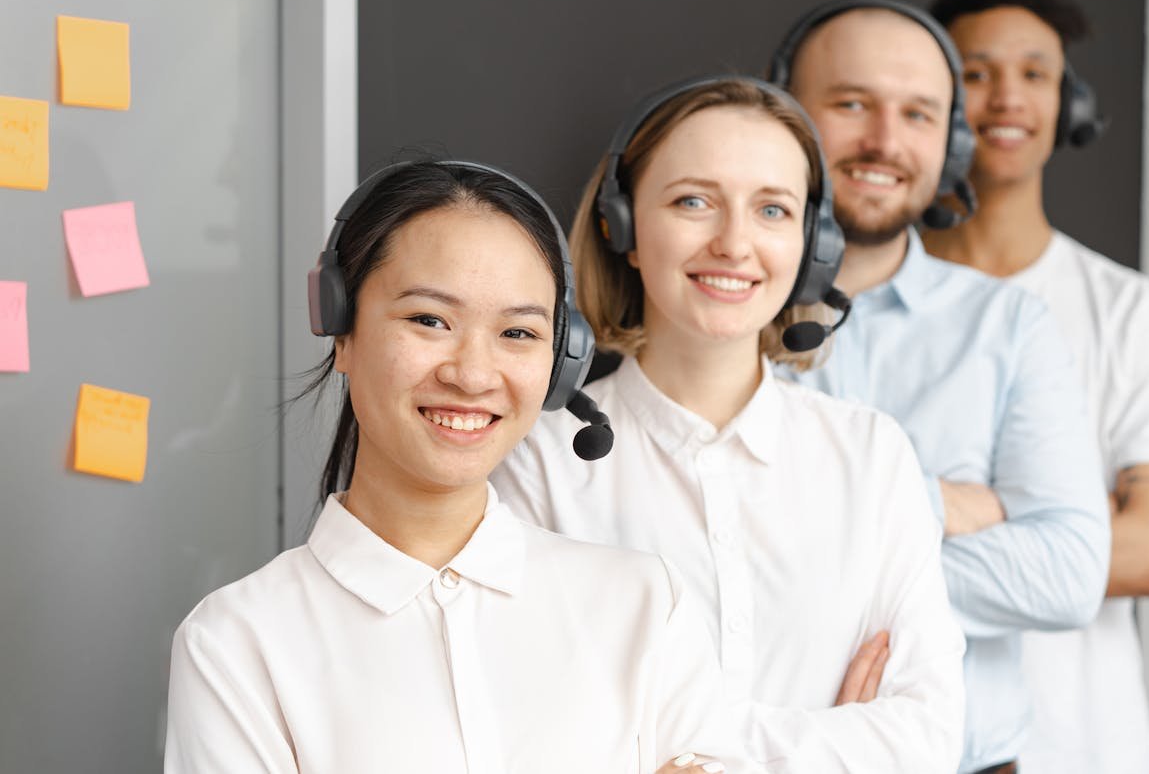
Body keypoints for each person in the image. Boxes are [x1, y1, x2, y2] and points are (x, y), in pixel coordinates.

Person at [164, 159, 757, 773]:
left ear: (562, 363)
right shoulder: (236, 643)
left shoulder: (646, 607)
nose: (472, 375)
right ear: (341, 330)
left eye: (518, 333)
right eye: (429, 320)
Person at [492, 75, 967, 772]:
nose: (735, 244)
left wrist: (667, 738)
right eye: (694, 201)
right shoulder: (539, 461)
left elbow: (926, 741)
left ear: (814, 246)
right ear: (622, 227)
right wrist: (835, 740)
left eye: (772, 210)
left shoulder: (869, 453)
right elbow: (532, 735)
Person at [768, 0, 1111, 773]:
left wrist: (832, 543)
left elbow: (1067, 573)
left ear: (951, 140)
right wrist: (938, 505)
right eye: (851, 103)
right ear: (785, 117)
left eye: (918, 114)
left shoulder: (1011, 327)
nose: (885, 141)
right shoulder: (709, 310)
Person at [925, 0, 1149, 774]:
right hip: (911, 739)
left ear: (1067, 103)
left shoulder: (1132, 310)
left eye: (1035, 73)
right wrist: (1064, 519)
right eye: (978, 73)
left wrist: (944, 511)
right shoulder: (865, 303)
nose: (1008, 97)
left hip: (1086, 746)